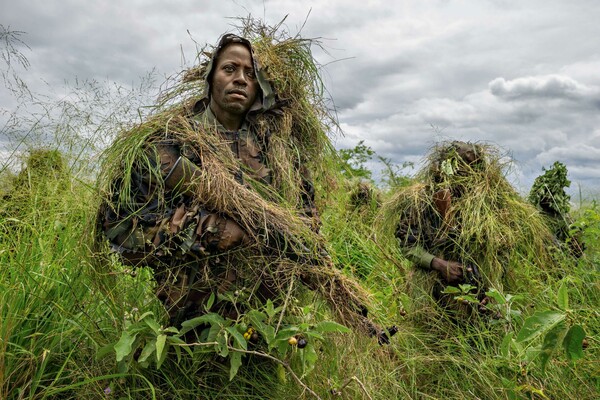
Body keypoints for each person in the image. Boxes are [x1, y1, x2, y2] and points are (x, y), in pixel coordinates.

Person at [98, 32, 386, 340]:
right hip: (188, 324)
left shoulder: (279, 153)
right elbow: (119, 230)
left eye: (250, 74)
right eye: (229, 69)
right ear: (210, 79)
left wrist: (316, 266)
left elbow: (306, 226)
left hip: (268, 322)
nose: (240, 79)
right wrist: (209, 230)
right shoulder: (168, 143)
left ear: (259, 88)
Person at [382, 141, 558, 317]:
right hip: (434, 286)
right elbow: (408, 244)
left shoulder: (491, 204)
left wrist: (492, 286)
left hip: (481, 287)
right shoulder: (421, 201)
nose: (467, 176)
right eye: (462, 169)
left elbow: (504, 250)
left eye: (474, 169)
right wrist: (439, 264)